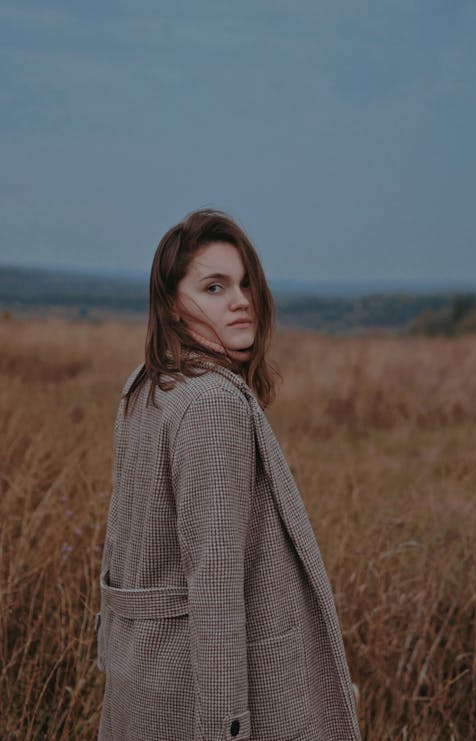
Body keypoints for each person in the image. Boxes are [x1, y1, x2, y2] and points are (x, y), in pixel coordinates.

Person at [96, 208, 361, 740]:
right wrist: (226, 728)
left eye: (244, 283)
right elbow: (214, 589)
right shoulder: (212, 403)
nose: (241, 300)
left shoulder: (148, 384)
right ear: (172, 304)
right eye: (214, 287)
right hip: (199, 699)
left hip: (142, 681)